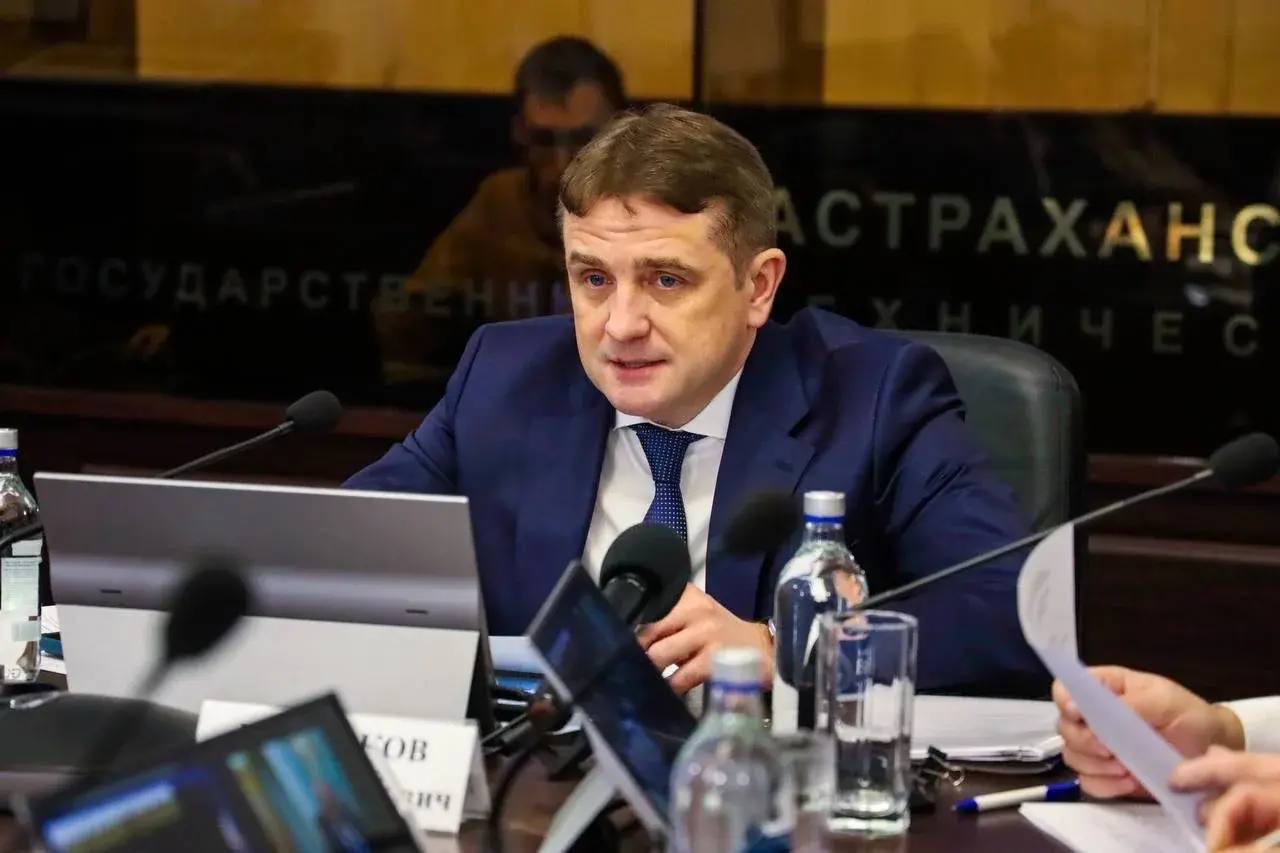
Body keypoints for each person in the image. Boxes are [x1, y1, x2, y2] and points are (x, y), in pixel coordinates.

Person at [346, 103, 1047, 695]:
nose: (621, 324)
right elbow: (343, 554)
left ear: (758, 287)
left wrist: (784, 648)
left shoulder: (874, 398)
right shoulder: (505, 379)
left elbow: (1010, 611)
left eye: (666, 280)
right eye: (594, 279)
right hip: (539, 780)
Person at [373, 36, 627, 387]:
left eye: (583, 140)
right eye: (543, 140)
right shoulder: (502, 202)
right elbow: (407, 322)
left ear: (620, 133)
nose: (561, 165)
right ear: (519, 133)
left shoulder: (649, 210)